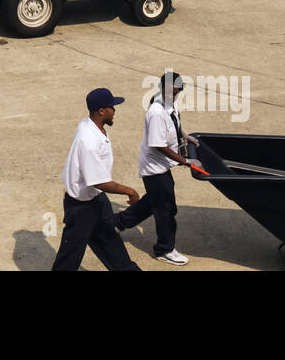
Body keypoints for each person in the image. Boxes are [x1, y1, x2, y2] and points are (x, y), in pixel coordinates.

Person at [51, 87, 143, 271]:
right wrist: (130, 191)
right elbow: (98, 181)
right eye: (112, 107)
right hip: (80, 209)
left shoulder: (88, 125)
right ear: (101, 111)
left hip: (96, 202)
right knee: (69, 259)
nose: (114, 111)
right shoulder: (89, 141)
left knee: (114, 249)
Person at [116, 71, 195, 265]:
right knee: (166, 209)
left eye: (177, 91)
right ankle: (164, 250)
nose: (173, 95)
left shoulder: (169, 103)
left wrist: (185, 136)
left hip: (161, 167)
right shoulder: (157, 113)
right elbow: (158, 145)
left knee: (152, 203)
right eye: (171, 91)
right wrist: (185, 161)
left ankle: (114, 223)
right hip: (155, 169)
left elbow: (175, 122)